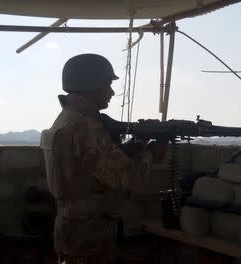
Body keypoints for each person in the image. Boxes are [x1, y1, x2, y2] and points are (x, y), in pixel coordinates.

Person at [40, 54, 166, 264]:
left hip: (75, 229)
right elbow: (125, 177)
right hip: (89, 235)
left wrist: (138, 143)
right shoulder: (85, 125)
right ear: (90, 84)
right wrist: (151, 154)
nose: (111, 92)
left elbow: (96, 163)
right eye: (107, 84)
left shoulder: (67, 119)